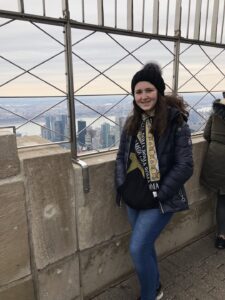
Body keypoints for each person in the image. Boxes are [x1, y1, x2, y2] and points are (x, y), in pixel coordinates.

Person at [115, 62, 193, 300]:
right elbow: (121, 157)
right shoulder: (132, 122)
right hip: (134, 196)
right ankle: (156, 286)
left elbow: (185, 165)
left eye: (148, 90)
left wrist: (160, 193)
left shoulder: (175, 122)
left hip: (160, 199)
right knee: (144, 246)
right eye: (138, 92)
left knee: (137, 248)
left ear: (159, 92)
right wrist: (121, 185)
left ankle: (149, 295)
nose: (143, 96)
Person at [200, 97, 225, 249]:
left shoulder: (215, 114)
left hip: (217, 159)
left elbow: (206, 135)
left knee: (222, 200)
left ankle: (221, 236)